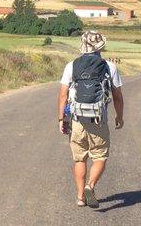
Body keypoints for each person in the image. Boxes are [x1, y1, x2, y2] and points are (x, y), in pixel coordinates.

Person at [57, 30, 124, 208]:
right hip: (98, 119)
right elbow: (117, 96)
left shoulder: (71, 65)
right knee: (100, 156)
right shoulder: (110, 66)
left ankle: (80, 197)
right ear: (100, 46)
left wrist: (61, 119)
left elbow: (63, 95)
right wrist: (119, 116)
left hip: (77, 119)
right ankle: (90, 185)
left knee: (80, 159)